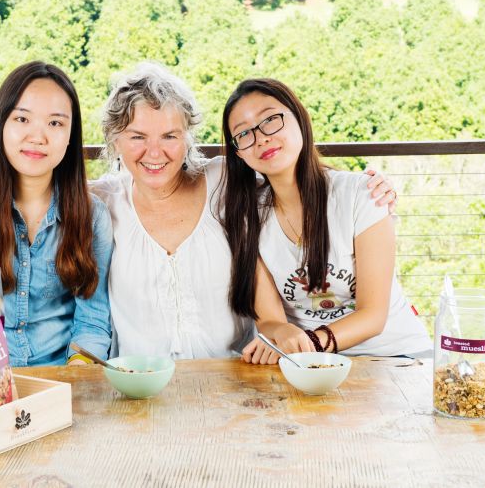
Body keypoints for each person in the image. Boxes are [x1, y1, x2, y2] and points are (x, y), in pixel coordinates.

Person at [92, 63, 398, 360]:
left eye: (170, 136)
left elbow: (288, 171)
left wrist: (369, 190)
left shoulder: (226, 184)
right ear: (114, 140)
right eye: (137, 136)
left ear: (188, 138)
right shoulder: (100, 204)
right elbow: (47, 197)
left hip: (236, 378)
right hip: (139, 383)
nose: (155, 152)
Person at [220, 78, 431, 363]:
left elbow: (373, 316)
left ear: (299, 117)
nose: (261, 138)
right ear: (238, 152)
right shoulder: (247, 216)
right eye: (244, 133)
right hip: (309, 365)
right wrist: (282, 334)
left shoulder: (362, 195)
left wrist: (305, 343)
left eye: (270, 120)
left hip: (395, 356)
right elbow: (269, 320)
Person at [0, 61, 113, 367]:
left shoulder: (92, 215)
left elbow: (92, 320)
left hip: (64, 379)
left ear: (70, 135)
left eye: (55, 123)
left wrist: (75, 375)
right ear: (1, 124)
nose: (38, 137)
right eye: (22, 119)